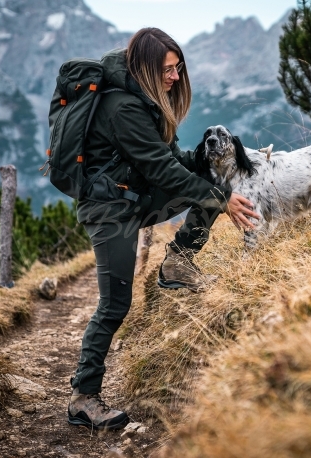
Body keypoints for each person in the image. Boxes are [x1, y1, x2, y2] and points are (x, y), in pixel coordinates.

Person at [67, 27, 259, 431]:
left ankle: (177, 263)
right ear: (147, 68)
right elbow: (160, 169)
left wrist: (209, 164)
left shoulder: (148, 99)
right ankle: (84, 398)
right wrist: (220, 200)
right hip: (108, 211)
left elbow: (171, 159)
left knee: (211, 181)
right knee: (115, 304)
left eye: (178, 68)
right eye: (168, 69)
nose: (175, 76)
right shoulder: (123, 108)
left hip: (135, 196)